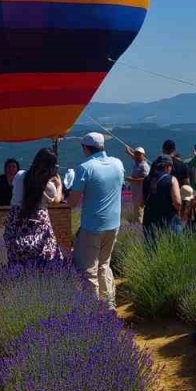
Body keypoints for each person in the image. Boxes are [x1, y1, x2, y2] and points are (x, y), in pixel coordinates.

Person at [67, 133, 125, 310]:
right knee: (104, 265)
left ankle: (93, 311)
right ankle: (109, 305)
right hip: (113, 223)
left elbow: (73, 201)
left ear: (85, 148)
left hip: (92, 225)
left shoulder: (85, 167)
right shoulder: (118, 163)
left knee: (89, 270)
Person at [3, 148, 61, 265]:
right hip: (39, 234)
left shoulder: (19, 175)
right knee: (44, 266)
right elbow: (56, 201)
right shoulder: (49, 187)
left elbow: (15, 186)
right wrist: (59, 185)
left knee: (17, 268)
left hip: (15, 231)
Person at [142, 156, 183, 247]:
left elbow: (142, 201)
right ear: (167, 166)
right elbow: (178, 202)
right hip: (167, 220)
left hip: (149, 220)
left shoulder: (147, 180)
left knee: (151, 249)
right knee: (173, 247)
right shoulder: (172, 179)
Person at [124, 146, 150, 223]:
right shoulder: (137, 162)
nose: (136, 155)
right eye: (136, 153)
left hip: (140, 192)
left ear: (143, 155)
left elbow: (146, 179)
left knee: (139, 212)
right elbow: (134, 158)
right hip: (136, 192)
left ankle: (140, 229)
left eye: (139, 154)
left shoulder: (144, 166)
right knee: (136, 211)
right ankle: (137, 227)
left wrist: (132, 180)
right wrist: (129, 152)